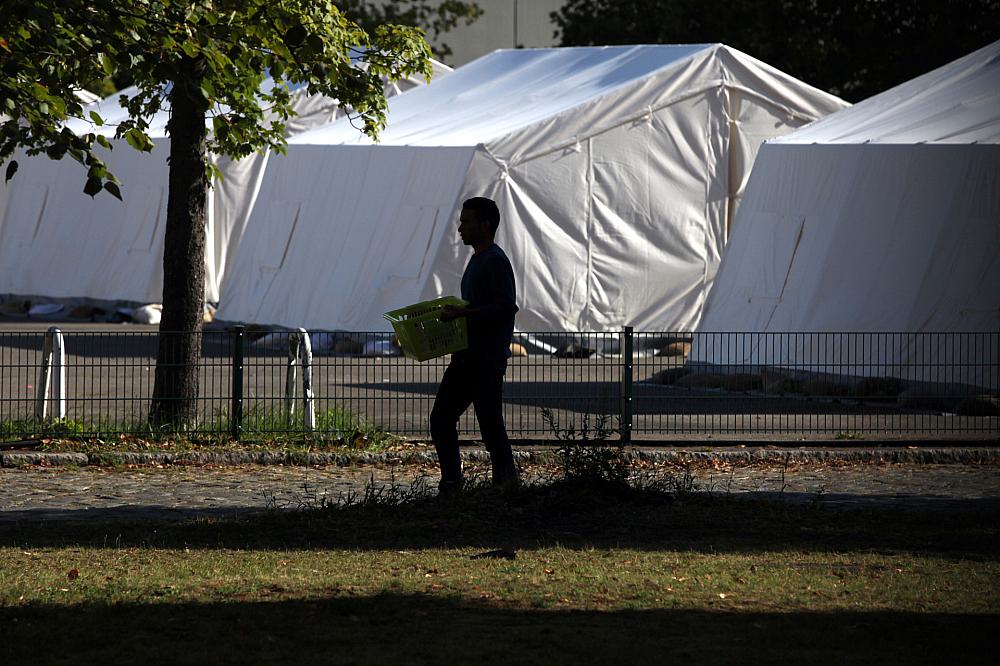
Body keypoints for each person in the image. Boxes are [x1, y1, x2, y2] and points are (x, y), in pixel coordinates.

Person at [430, 197, 519, 496]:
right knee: (460, 419)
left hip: (484, 359)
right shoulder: (479, 258)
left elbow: (505, 308)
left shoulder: (494, 260)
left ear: (486, 225)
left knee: (480, 422)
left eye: (467, 221)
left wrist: (463, 313)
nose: (460, 228)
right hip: (469, 357)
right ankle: (486, 483)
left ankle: (486, 484)